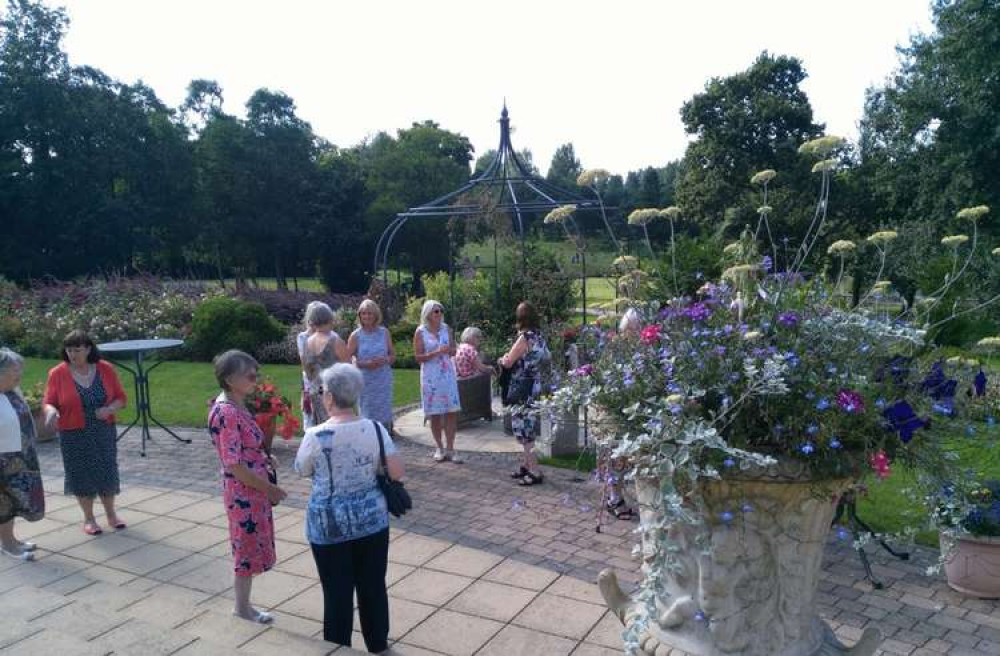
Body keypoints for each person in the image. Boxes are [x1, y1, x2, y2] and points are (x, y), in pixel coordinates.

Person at [295, 363, 404, 653]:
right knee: (372, 586)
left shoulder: (314, 435)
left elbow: (301, 470)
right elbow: (396, 472)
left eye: (323, 392)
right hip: (372, 523)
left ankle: (338, 646)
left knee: (336, 592)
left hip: (328, 527)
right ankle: (377, 643)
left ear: (329, 397)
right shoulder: (376, 429)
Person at [208, 350, 287, 624]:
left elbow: (244, 449)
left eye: (256, 373)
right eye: (249, 375)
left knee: (250, 547)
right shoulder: (226, 413)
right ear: (230, 379)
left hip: (251, 490)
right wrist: (269, 489)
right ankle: (242, 608)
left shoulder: (237, 404)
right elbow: (234, 465)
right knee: (245, 549)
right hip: (245, 492)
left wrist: (265, 457)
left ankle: (244, 605)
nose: (255, 379)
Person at [42, 330, 127, 535]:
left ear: (88, 349)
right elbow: (49, 402)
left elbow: (121, 398)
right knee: (80, 474)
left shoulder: (105, 369)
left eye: (77, 349)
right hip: (73, 433)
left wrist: (108, 410)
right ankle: (89, 519)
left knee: (107, 471)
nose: (72, 354)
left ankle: (111, 515)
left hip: (102, 430)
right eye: (69, 350)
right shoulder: (57, 373)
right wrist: (51, 412)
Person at [499, 301, 551, 486]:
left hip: (521, 387)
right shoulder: (539, 336)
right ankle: (527, 465)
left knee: (524, 429)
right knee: (527, 426)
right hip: (534, 386)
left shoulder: (524, 338)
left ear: (520, 318)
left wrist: (502, 359)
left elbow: (508, 362)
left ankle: (535, 471)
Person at [0, 348, 45, 561]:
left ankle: (12, 540)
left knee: (16, 501)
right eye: (14, 370)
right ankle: (8, 546)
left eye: (19, 369)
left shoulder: (12, 391)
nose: (19, 374)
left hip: (20, 457)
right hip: (4, 461)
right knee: (5, 503)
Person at [413, 300, 461, 463]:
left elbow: (454, 350)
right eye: (436, 311)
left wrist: (451, 350)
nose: (439, 314)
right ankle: (439, 447)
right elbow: (418, 357)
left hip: (447, 375)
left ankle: (451, 448)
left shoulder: (447, 329)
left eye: (440, 310)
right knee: (435, 413)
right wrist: (435, 352)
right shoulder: (420, 332)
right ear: (428, 314)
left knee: (451, 412)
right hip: (431, 377)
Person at [347, 299, 395, 431]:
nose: (367, 316)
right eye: (364, 313)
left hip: (382, 379)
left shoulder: (384, 332)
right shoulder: (356, 335)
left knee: (384, 410)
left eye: (370, 313)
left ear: (376, 315)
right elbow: (347, 359)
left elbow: (392, 355)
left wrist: (385, 360)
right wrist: (364, 363)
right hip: (365, 380)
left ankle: (385, 435)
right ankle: (367, 435)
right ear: (359, 315)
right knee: (367, 410)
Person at [301, 302, 348, 426]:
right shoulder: (335, 342)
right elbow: (349, 371)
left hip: (316, 393)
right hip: (335, 394)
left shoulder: (307, 342)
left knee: (322, 430)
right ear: (330, 318)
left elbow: (307, 371)